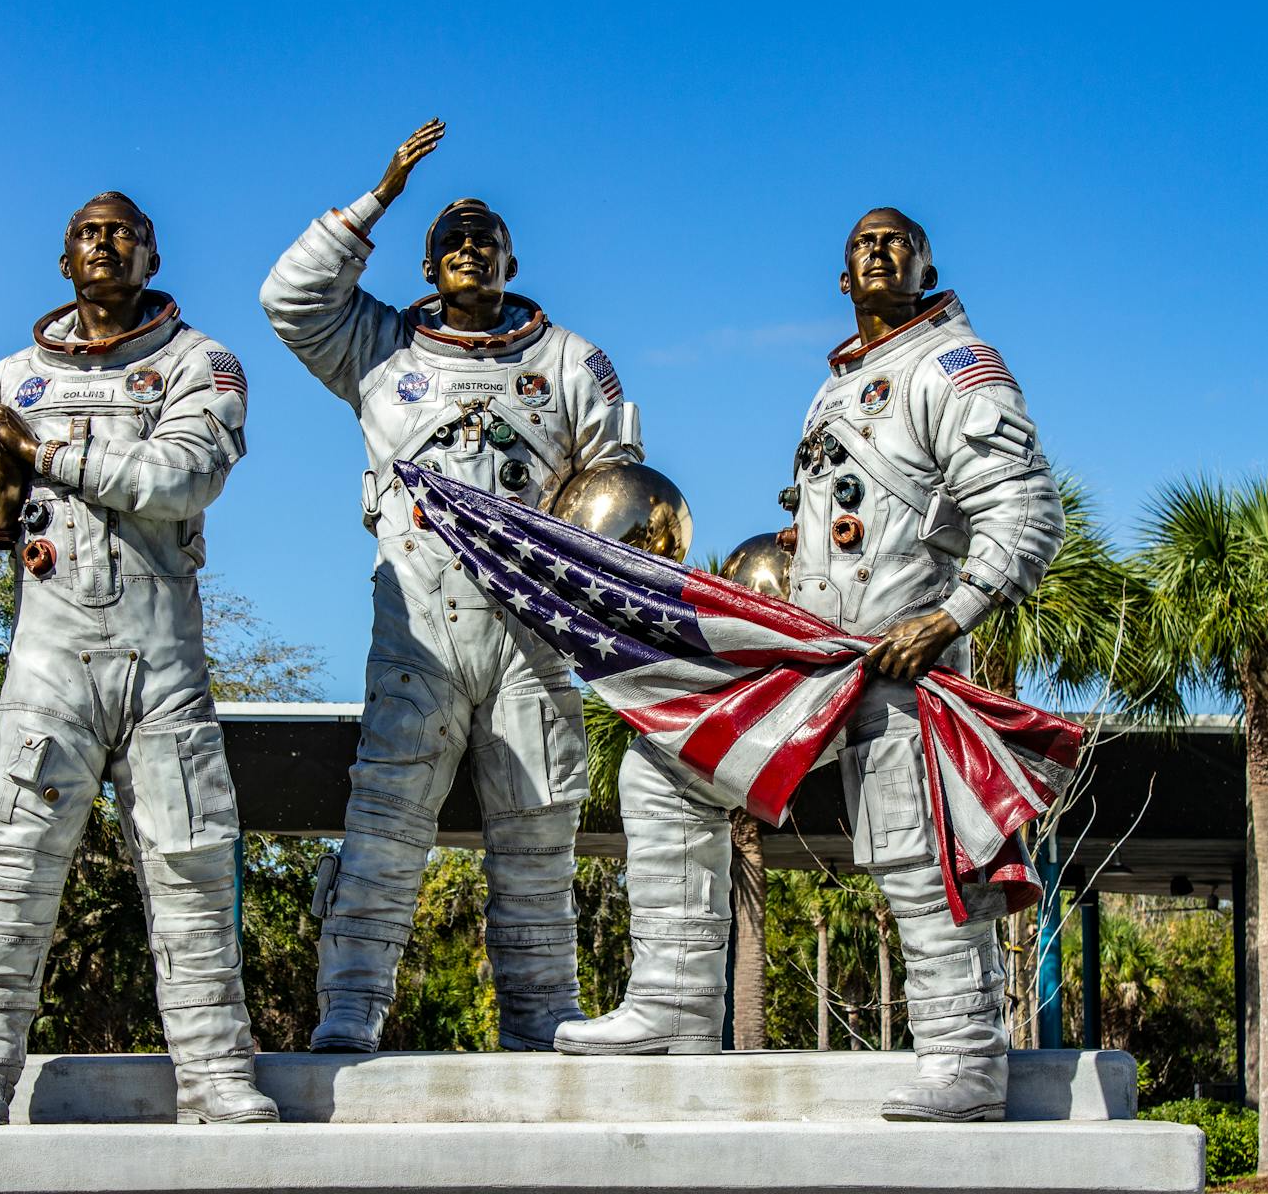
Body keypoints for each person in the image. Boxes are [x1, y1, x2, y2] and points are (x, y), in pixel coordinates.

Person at [556, 209, 1064, 1128]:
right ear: (841, 279)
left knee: (918, 850)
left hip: (906, 663)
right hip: (821, 658)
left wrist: (948, 615)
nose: (877, 251)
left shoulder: (953, 365)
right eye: (861, 244)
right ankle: (673, 999)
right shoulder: (839, 385)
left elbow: (1026, 508)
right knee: (668, 763)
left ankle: (966, 1058)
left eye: (896, 240)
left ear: (928, 264)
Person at [0, 192, 276, 1126]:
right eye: (88, 233)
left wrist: (43, 447)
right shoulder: (6, 381)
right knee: (11, 865)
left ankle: (214, 1075)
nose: (105, 244)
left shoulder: (198, 365)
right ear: (63, 259)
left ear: (152, 254)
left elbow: (183, 479)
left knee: (193, 866)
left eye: (124, 232)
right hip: (50, 660)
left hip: (162, 663)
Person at [259, 120, 640, 1053]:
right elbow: (288, 298)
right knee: (386, 821)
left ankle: (542, 1013)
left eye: (486, 239)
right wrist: (379, 194)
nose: (470, 250)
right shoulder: (378, 348)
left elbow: (620, 489)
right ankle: (352, 1005)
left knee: (539, 829)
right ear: (426, 267)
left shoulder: (570, 363)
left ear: (513, 258)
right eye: (451, 242)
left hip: (533, 632)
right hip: (417, 627)